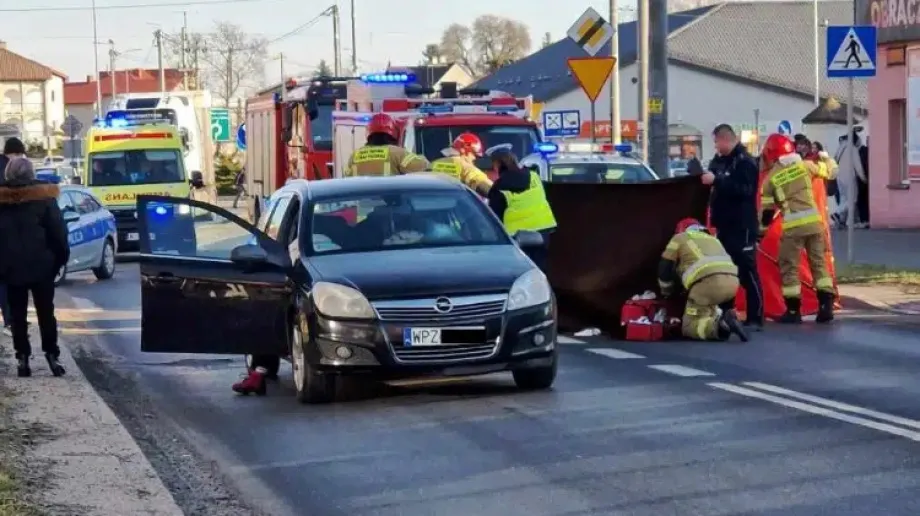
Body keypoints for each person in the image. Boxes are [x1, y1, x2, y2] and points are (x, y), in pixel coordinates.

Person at [0, 157, 69, 377]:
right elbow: (58, 234)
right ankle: (51, 355)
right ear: (31, 174)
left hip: (10, 268)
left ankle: (22, 358)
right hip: (42, 267)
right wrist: (60, 260)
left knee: (17, 315)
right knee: (46, 312)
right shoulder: (45, 199)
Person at [759, 133, 835, 324]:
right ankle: (826, 306)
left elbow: (767, 213)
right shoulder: (806, 166)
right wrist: (825, 157)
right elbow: (830, 172)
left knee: (789, 267)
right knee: (818, 264)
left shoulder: (770, 179)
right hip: (814, 224)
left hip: (793, 228)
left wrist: (760, 233)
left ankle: (793, 312)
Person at [702, 124, 764, 331]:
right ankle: (726, 314)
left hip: (742, 225)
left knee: (747, 271)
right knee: (726, 271)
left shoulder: (745, 162)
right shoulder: (718, 161)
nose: (716, 146)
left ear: (726, 139)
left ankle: (756, 317)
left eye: (718, 142)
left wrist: (718, 181)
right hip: (724, 225)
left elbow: (745, 190)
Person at [659, 217, 748, 342]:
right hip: (732, 284)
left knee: (689, 326)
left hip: (707, 284)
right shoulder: (713, 239)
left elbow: (665, 266)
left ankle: (722, 326)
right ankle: (726, 318)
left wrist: (666, 291)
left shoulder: (679, 238)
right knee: (706, 312)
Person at [485, 144, 556, 271]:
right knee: (541, 270)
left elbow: (494, 215)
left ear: (497, 164)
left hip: (517, 236)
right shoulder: (534, 176)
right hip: (543, 230)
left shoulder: (499, 186)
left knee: (521, 272)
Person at [344, 113, 429, 177]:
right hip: (391, 199)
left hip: (362, 200)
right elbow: (423, 167)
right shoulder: (397, 153)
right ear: (393, 133)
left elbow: (346, 178)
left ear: (369, 133)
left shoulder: (355, 155)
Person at [429, 132, 493, 196]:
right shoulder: (465, 167)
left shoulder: (433, 164)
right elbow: (483, 184)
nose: (474, 159)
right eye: (474, 155)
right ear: (463, 150)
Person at [833, 129, 866, 228]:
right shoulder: (853, 149)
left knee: (844, 199)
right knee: (853, 198)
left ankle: (842, 221)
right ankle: (837, 213)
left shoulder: (840, 148)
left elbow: (834, 160)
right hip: (849, 177)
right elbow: (858, 166)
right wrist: (863, 178)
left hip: (839, 177)